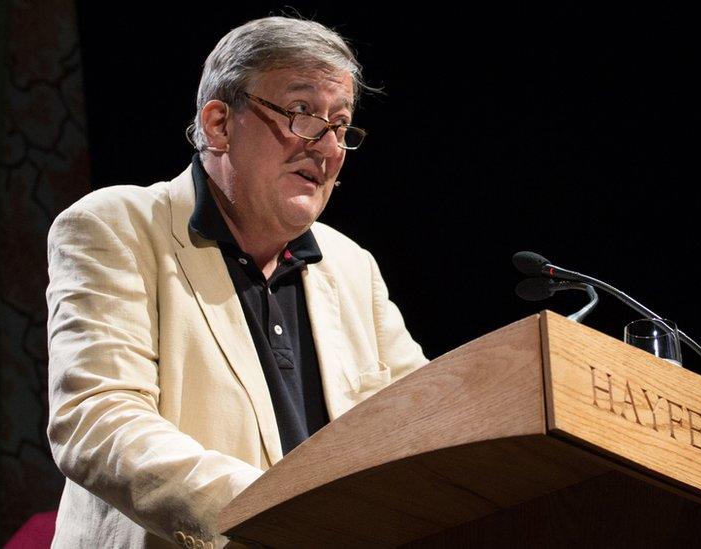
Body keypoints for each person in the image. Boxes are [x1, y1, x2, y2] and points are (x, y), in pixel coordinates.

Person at [45, 16, 427, 548]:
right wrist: (279, 516)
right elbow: (100, 423)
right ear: (219, 123)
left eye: (340, 126)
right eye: (301, 114)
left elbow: (423, 427)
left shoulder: (352, 267)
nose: (326, 147)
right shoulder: (117, 226)